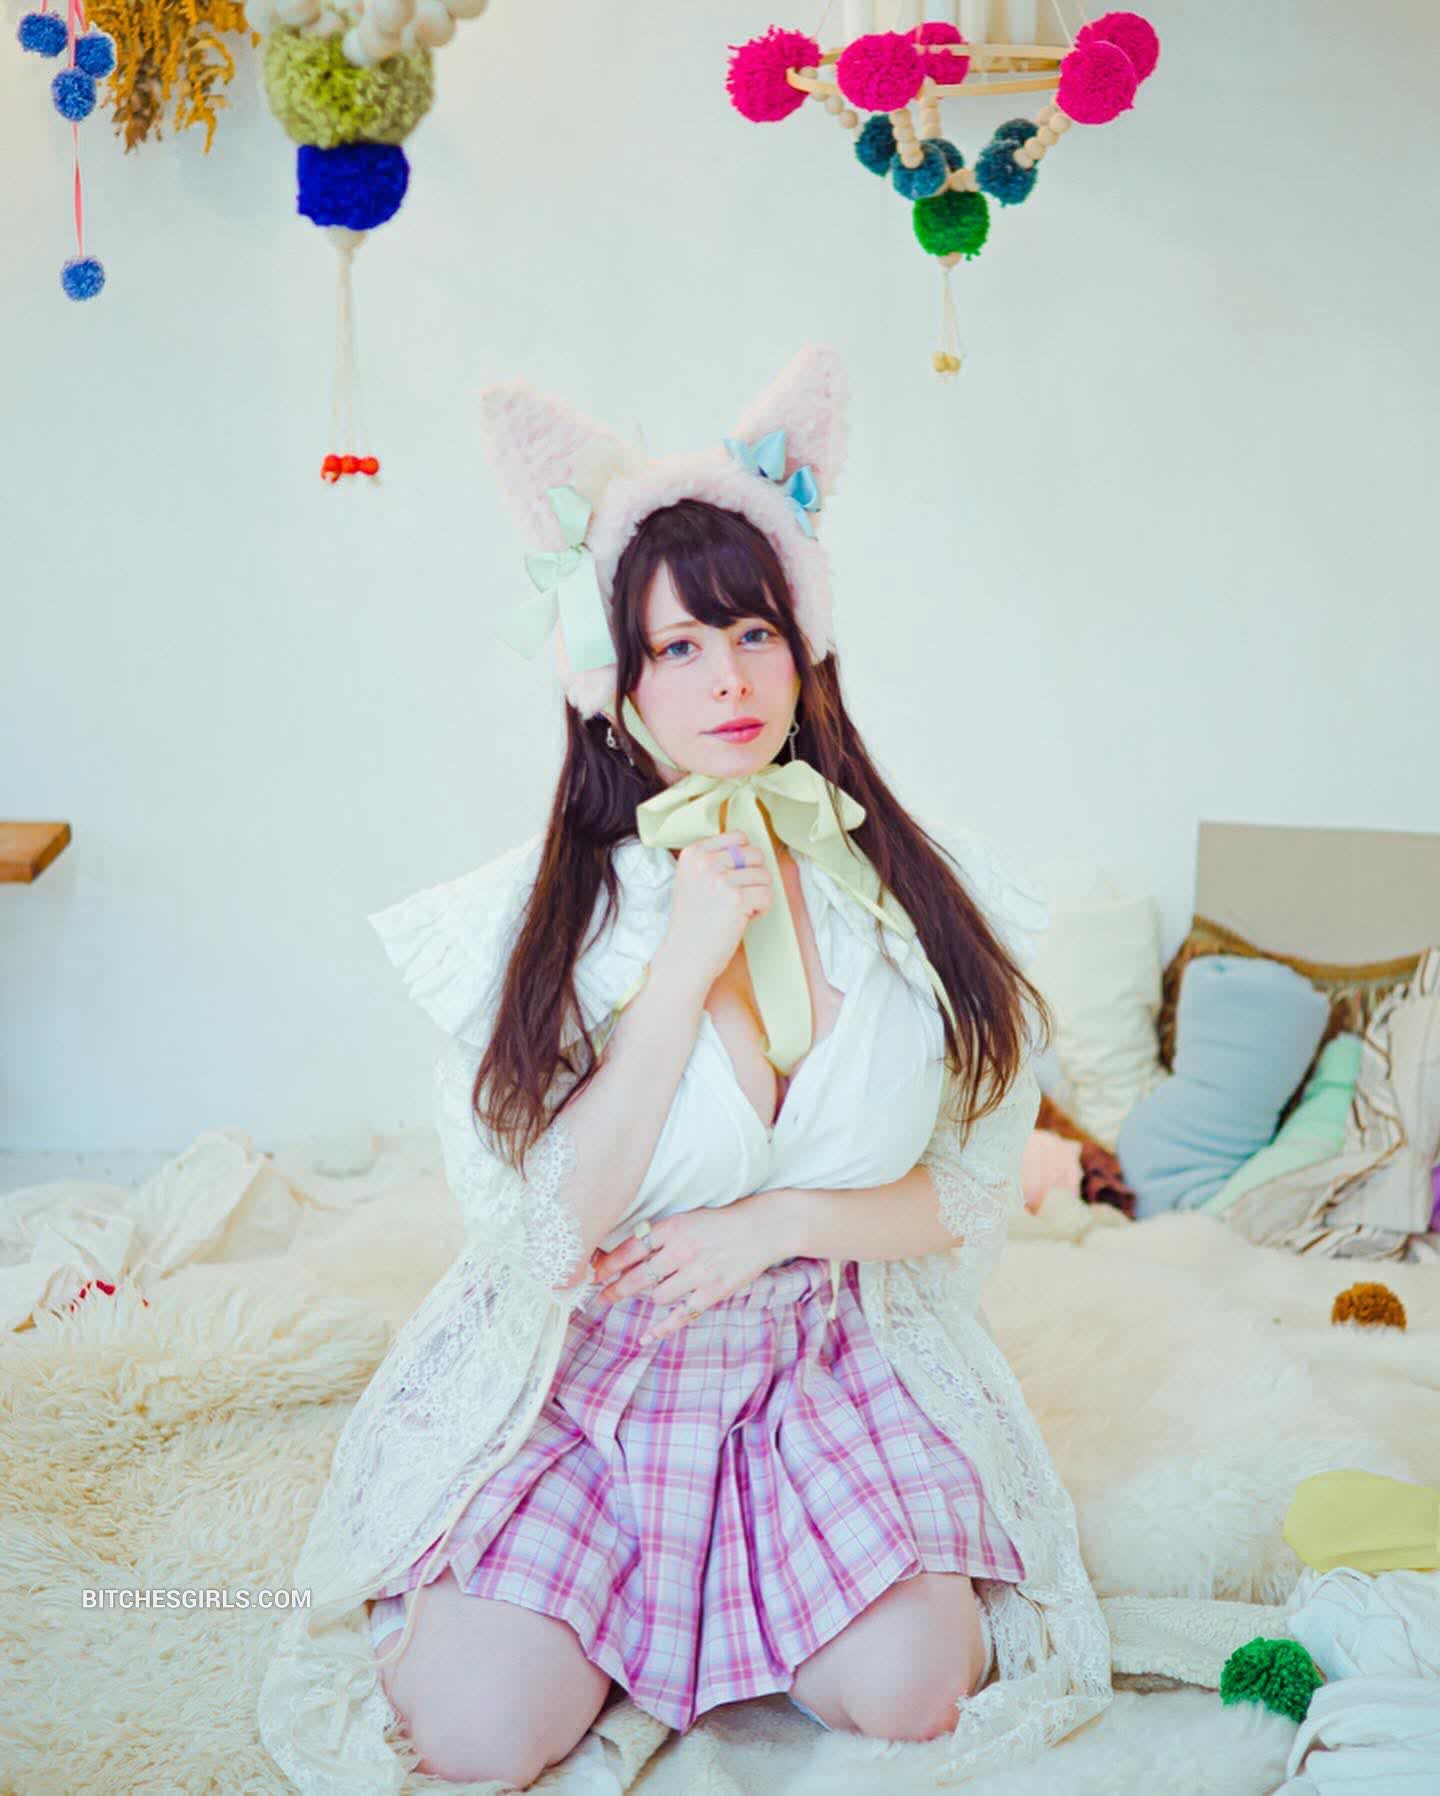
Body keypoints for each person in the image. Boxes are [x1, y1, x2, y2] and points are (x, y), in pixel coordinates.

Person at [257, 345, 1113, 1794]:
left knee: (916, 1693)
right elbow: (544, 1232)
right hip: (595, 1370)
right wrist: (678, 972)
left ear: (805, 646)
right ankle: (604, 1620)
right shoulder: (545, 924)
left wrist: (779, 1224)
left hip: (822, 1357)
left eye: (754, 633)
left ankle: (758, 1602)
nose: (728, 681)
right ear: (615, 684)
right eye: (678, 649)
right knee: (472, 1731)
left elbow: (969, 1192)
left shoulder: (906, 892)